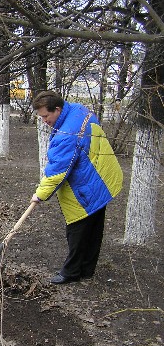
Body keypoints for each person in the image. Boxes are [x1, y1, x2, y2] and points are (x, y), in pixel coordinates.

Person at [30, 91, 123, 284]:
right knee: (95, 227)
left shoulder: (67, 134)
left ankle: (71, 272)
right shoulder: (77, 109)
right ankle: (86, 270)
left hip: (87, 185)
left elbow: (57, 172)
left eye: (46, 116)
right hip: (102, 176)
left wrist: (39, 195)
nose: (44, 121)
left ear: (57, 109)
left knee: (77, 230)